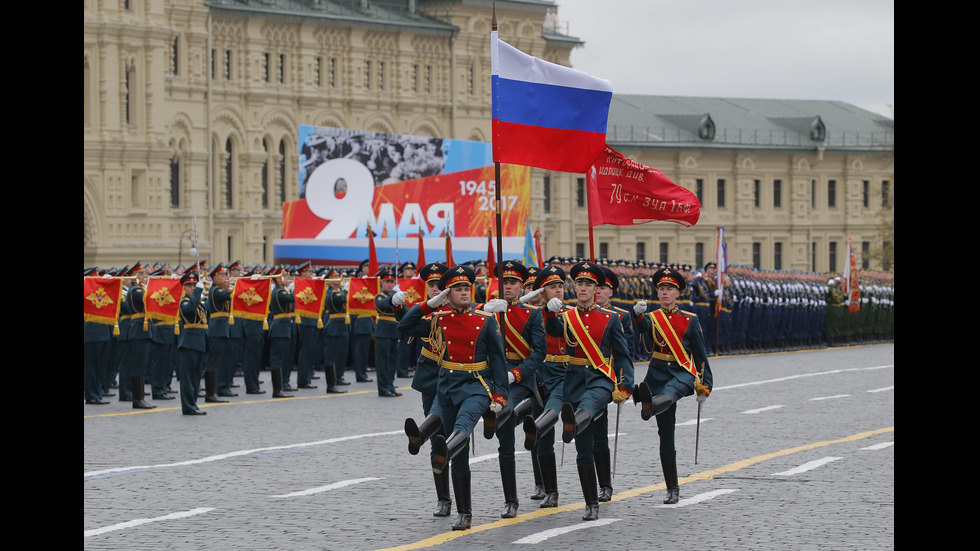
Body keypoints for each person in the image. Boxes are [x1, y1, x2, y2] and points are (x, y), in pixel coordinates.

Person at [398, 264, 508, 531]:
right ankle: (425, 439)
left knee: (460, 431)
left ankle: (464, 512)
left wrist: (500, 394)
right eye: (457, 289)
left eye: (465, 288)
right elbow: (405, 327)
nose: (463, 293)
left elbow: (498, 359)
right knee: (443, 428)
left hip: (475, 385)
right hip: (446, 385)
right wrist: (427, 305)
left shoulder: (485, 320)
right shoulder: (439, 319)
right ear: (447, 295)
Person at [542, 261, 635, 521]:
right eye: (579, 283)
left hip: (600, 379)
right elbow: (553, 331)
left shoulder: (610, 319)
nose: (582, 288)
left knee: (589, 407)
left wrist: (625, 384)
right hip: (573, 380)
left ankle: (573, 421)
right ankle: (591, 502)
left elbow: (624, 356)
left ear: (596, 289)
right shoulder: (566, 316)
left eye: (588, 284)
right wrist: (550, 314)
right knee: (583, 448)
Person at [630, 266, 714, 504]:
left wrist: (705, 385)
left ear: (678, 293)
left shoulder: (690, 319)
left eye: (669, 289)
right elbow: (643, 327)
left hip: (682, 373)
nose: (665, 293)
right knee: (666, 434)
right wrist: (636, 315)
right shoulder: (652, 318)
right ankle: (672, 487)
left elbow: (700, 356)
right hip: (657, 374)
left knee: (671, 392)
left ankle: (650, 404)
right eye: (662, 289)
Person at [478, 260, 545, 519]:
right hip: (492, 377)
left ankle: (513, 501)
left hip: (521, 379)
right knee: (504, 442)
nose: (508, 286)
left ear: (520, 286)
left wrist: (515, 374)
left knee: (503, 411)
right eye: (504, 282)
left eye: (513, 282)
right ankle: (511, 499)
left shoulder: (532, 314)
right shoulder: (488, 311)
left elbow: (538, 353)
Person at [400, 262, 452, 517]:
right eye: (431, 285)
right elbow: (406, 327)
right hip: (430, 376)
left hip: (456, 377)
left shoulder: (460, 310)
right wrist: (399, 307)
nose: (435, 289)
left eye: (439, 285)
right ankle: (443, 498)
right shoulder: (424, 312)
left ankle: (420, 435)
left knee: (449, 437)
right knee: (438, 442)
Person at [521, 264, 568, 508]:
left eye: (560, 286)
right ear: (542, 291)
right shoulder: (532, 314)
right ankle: (550, 489)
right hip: (540, 375)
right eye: (552, 287)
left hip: (564, 375)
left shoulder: (571, 312)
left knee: (547, 421)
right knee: (542, 437)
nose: (558, 290)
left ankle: (600, 485)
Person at [592, 265, 634, 502]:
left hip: (605, 380)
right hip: (579, 379)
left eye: (603, 287)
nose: (598, 291)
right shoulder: (575, 314)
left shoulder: (620, 316)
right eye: (595, 287)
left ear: (611, 291)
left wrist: (621, 384)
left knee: (599, 433)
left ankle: (605, 484)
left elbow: (625, 352)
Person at [176, 271, 209, 415]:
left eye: (194, 285)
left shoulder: (198, 303)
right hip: (189, 343)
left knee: (196, 377)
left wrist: (201, 295)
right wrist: (198, 292)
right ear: (184, 287)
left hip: (200, 342)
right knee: (188, 377)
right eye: (189, 286)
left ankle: (193, 404)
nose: (192, 288)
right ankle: (188, 406)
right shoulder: (184, 302)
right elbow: (189, 309)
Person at [204, 263, 236, 400]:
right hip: (217, 328)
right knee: (214, 362)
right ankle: (211, 392)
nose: (225, 277)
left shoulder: (218, 290)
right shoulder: (216, 291)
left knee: (224, 361)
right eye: (222, 275)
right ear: (215, 278)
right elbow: (233, 295)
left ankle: (221, 387)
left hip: (222, 328)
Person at [374, 266, 403, 397]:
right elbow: (384, 305)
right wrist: (393, 294)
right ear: (382, 283)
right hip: (383, 332)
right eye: (387, 282)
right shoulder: (379, 296)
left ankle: (390, 385)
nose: (390, 284)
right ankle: (383, 387)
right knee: (383, 362)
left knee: (392, 362)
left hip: (394, 331)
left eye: (392, 282)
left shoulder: (395, 296)